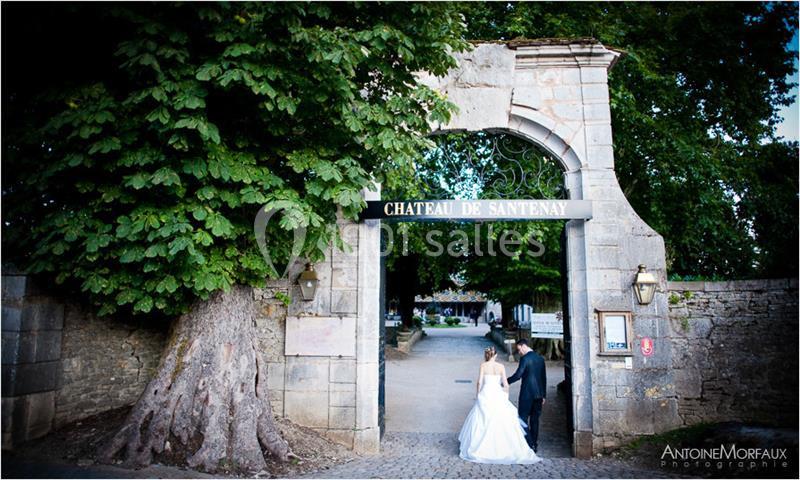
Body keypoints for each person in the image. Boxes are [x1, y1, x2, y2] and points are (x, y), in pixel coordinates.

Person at [458, 346, 541, 464]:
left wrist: (478, 394)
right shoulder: (501, 367)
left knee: (482, 419)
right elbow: (506, 385)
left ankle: (482, 447)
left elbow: (479, 382)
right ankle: (504, 446)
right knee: (501, 420)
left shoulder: (483, 366)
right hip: (497, 394)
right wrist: (505, 397)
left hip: (486, 394)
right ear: (496, 355)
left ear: (487, 355)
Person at [507, 338, 547, 452]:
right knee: (535, 420)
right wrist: (544, 395)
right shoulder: (540, 358)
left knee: (522, 419)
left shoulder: (525, 358)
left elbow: (518, 375)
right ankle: (535, 443)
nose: (519, 352)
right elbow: (543, 378)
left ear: (523, 346)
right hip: (539, 394)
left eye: (519, 350)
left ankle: (529, 444)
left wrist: (505, 382)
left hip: (527, 394)